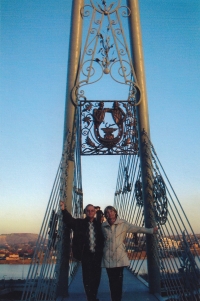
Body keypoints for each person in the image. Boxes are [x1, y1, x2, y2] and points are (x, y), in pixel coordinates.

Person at [101, 205, 158, 301]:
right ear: (106, 214)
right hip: (108, 256)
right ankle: (114, 299)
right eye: (107, 212)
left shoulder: (123, 224)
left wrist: (151, 230)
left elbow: (137, 229)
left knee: (118, 280)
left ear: (115, 212)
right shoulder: (103, 226)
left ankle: (117, 299)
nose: (109, 213)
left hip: (119, 256)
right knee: (111, 280)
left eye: (111, 211)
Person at [60, 201, 104, 301]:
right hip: (86, 255)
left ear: (95, 212)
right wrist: (63, 209)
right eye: (88, 211)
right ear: (85, 212)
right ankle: (90, 298)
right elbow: (69, 220)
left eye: (92, 210)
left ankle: (93, 296)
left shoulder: (100, 225)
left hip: (97, 255)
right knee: (87, 278)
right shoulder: (79, 223)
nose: (90, 212)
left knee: (97, 278)